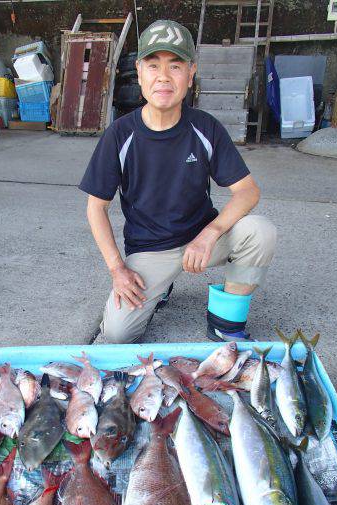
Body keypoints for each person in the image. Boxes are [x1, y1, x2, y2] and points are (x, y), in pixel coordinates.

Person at [80, 19, 276, 343]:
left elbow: (247, 191)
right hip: (150, 249)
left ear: (191, 72)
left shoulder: (205, 127)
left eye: (175, 65)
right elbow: (95, 208)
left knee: (261, 232)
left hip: (202, 240)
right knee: (116, 334)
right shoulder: (119, 135)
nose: (163, 77)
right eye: (153, 64)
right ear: (139, 72)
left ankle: (225, 324)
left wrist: (210, 233)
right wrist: (117, 269)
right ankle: (161, 286)